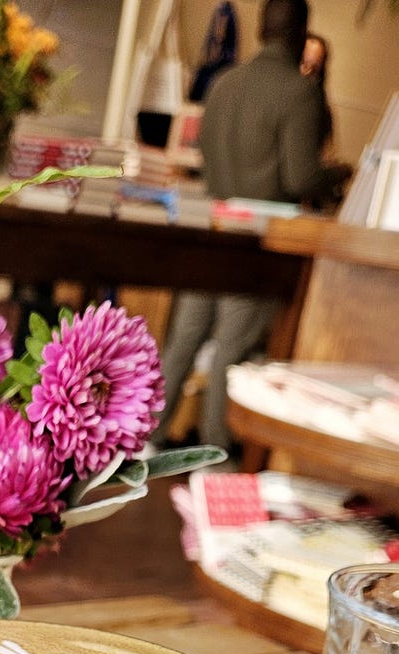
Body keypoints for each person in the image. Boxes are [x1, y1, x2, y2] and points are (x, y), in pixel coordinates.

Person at [160, 0, 325, 454]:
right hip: (258, 241)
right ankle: (216, 453)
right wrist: (340, 172)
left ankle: (144, 441)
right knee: (232, 352)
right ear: (300, 33)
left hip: (211, 229)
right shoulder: (300, 91)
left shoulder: (222, 84)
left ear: (259, 28)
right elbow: (300, 178)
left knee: (183, 341)